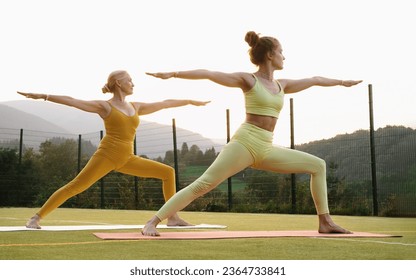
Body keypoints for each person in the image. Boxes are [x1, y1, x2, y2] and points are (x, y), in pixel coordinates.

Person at [142, 31, 362, 236]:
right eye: (281, 52)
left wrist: (342, 82)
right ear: (269, 54)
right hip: (245, 143)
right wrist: (174, 74)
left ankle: (325, 222)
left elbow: (315, 79)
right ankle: (153, 222)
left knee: (318, 165)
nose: (284, 56)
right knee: (204, 184)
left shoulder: (282, 85)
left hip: (265, 147)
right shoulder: (249, 80)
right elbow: (210, 74)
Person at [17, 70, 209, 229]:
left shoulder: (136, 106)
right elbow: (73, 101)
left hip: (127, 158)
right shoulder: (105, 106)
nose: (133, 84)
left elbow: (165, 103)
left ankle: (172, 217)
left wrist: (190, 101)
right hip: (106, 156)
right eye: (129, 80)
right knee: (75, 187)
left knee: (168, 172)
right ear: (118, 83)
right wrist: (45, 96)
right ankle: (36, 218)